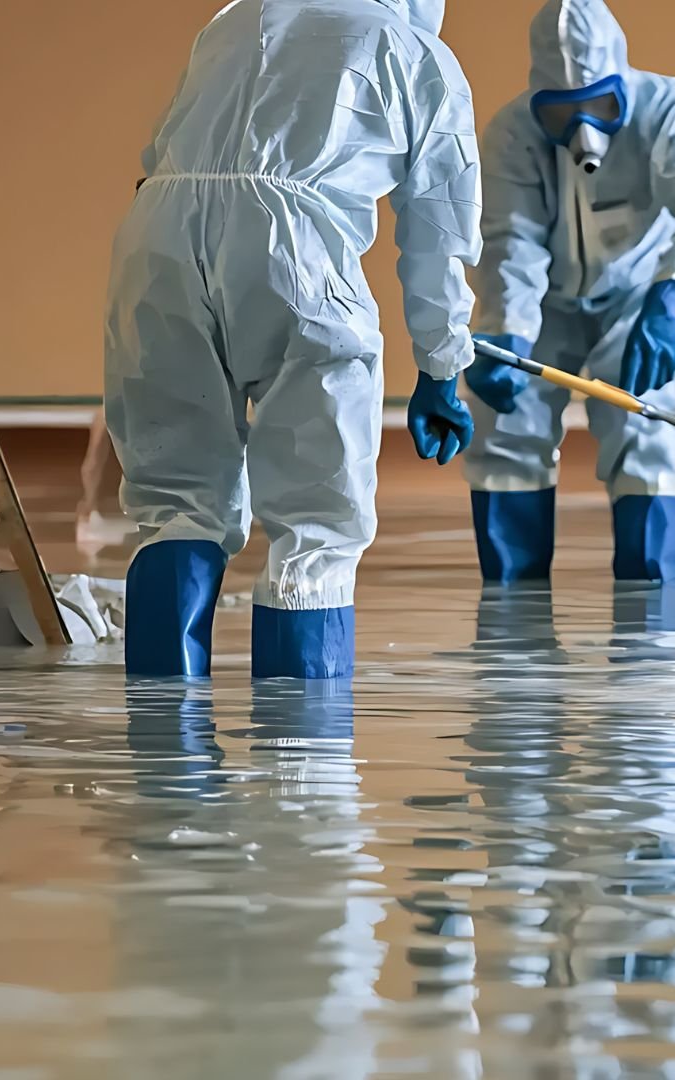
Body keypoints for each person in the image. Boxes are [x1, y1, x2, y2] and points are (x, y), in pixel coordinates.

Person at [105, 0, 481, 681]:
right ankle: (300, 768)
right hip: (292, 254)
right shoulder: (415, 53)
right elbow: (438, 235)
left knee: (176, 507)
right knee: (316, 524)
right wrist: (441, 364)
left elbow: (159, 152)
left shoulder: (236, 19)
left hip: (154, 243)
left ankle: (160, 766)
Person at [464, 0, 675, 585]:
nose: (582, 129)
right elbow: (510, 242)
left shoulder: (674, 112)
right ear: (538, 104)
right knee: (506, 427)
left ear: (622, 84)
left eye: (600, 106)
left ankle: (650, 618)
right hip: (542, 306)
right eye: (562, 114)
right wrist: (508, 332)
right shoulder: (511, 132)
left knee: (647, 425)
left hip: (640, 300)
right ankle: (513, 619)